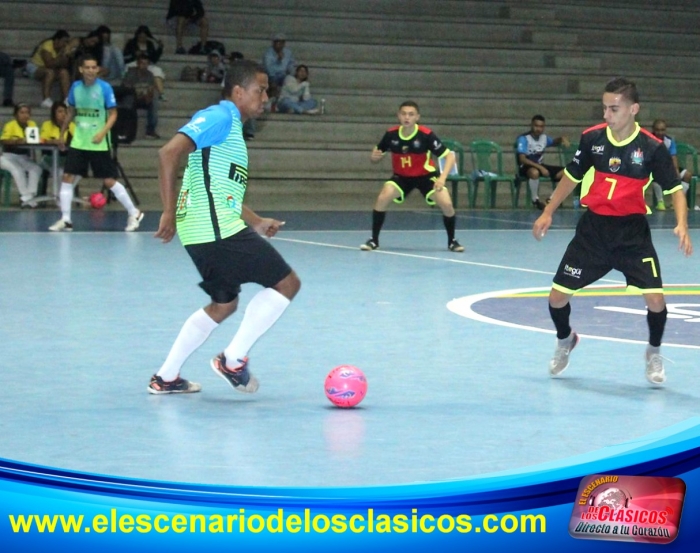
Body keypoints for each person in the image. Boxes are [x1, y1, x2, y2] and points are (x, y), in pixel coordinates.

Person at [148, 59, 301, 395]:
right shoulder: (220, 117)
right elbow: (168, 153)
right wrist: (167, 210)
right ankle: (232, 361)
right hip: (213, 227)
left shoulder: (232, 133)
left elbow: (219, 191)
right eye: (260, 90)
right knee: (287, 283)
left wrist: (256, 221)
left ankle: (166, 377)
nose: (265, 98)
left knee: (224, 304)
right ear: (238, 91)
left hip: (204, 227)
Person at [532, 77, 693, 386]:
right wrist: (548, 211)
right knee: (556, 298)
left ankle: (653, 352)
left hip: (632, 234)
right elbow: (571, 176)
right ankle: (565, 339)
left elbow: (674, 188)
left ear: (633, 109)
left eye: (614, 109)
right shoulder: (591, 139)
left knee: (656, 301)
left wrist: (682, 223)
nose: (607, 115)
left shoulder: (651, 147)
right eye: (604, 108)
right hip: (593, 231)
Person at [49, 54, 144, 232]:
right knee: (67, 177)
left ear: (97, 69)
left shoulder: (105, 88)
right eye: (88, 67)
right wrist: (62, 134)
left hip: (98, 143)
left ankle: (134, 212)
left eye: (94, 67)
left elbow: (113, 114)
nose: (91, 71)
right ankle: (66, 219)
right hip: (79, 141)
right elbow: (71, 112)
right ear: (81, 70)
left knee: (109, 181)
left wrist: (102, 133)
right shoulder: (75, 87)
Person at [360, 101, 464, 252]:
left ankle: (452, 241)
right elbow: (377, 153)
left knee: (447, 204)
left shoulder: (426, 135)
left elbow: (450, 157)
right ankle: (373, 240)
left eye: (411, 114)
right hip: (401, 177)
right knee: (383, 196)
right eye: (403, 114)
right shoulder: (391, 134)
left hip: (426, 177)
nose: (407, 117)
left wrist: (442, 178)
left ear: (417, 117)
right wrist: (374, 157)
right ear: (398, 116)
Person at [515, 115, 570, 209]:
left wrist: (561, 138)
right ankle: (535, 200)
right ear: (531, 125)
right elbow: (522, 159)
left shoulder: (544, 138)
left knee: (569, 173)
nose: (538, 129)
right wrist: (541, 168)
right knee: (534, 172)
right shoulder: (523, 138)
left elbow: (553, 142)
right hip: (526, 166)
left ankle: (551, 200)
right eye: (536, 126)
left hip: (540, 165)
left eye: (541, 127)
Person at [0, 103, 42, 207]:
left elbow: (34, 138)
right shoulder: (10, 125)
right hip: (7, 156)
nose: (25, 115)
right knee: (18, 169)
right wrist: (16, 141)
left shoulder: (32, 124)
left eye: (27, 113)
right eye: (22, 113)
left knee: (36, 168)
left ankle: (30, 195)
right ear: (16, 115)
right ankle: (26, 196)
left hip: (23, 157)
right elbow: (4, 140)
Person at [649, 118, 696, 211]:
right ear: (653, 130)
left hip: (668, 167)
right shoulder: (648, 140)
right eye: (657, 130)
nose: (660, 132)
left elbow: (673, 157)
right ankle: (660, 202)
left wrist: (676, 171)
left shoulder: (669, 141)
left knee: (687, 175)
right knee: (656, 175)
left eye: (662, 130)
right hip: (653, 169)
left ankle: (676, 201)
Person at [26, 30, 74, 108]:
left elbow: (64, 65)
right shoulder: (47, 45)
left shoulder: (64, 49)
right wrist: (61, 56)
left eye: (67, 42)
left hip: (51, 69)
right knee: (49, 72)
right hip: (35, 67)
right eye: (64, 41)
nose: (65, 44)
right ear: (57, 40)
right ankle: (46, 100)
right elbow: (49, 64)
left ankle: (67, 99)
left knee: (64, 72)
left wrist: (66, 55)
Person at [39, 101, 78, 190]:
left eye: (65, 112)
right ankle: (60, 194)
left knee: (78, 171)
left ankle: (65, 192)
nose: (63, 114)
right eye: (60, 112)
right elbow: (41, 140)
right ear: (54, 113)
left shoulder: (72, 125)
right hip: (49, 158)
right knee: (61, 172)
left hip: (66, 159)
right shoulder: (47, 125)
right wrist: (53, 141)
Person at [122, 53, 159, 139]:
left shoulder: (150, 75)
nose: (144, 66)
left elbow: (151, 89)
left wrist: (148, 96)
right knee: (128, 99)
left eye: (146, 64)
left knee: (154, 100)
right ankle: (126, 130)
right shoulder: (131, 72)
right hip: (132, 98)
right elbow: (125, 87)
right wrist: (137, 92)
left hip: (144, 99)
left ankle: (150, 130)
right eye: (142, 63)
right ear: (138, 63)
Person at [123, 26, 166, 100]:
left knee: (157, 71)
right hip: (134, 63)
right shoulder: (131, 43)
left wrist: (160, 48)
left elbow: (154, 59)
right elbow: (125, 57)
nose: (142, 38)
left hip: (147, 64)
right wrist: (134, 54)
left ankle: (161, 94)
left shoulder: (150, 44)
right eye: (140, 36)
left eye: (144, 36)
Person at [262, 33, 295, 98]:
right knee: (273, 81)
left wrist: (291, 74)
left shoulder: (288, 52)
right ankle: (273, 99)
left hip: (284, 75)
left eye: (281, 42)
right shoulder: (268, 53)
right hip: (272, 75)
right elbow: (268, 68)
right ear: (273, 43)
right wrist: (278, 60)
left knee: (291, 80)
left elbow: (291, 64)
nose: (279, 44)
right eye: (277, 42)